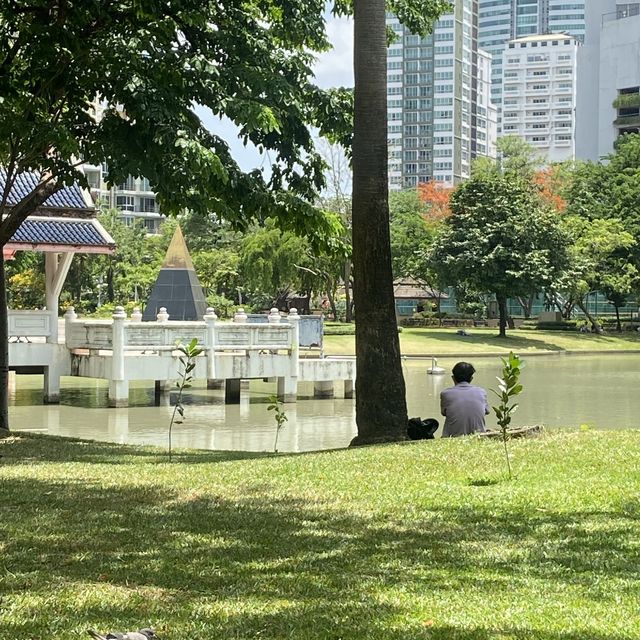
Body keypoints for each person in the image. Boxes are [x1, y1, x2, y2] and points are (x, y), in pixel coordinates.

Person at [440, 362, 490, 437]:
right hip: (479, 436)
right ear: (471, 378)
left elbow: (444, 413)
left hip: (453, 437)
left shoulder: (446, 394)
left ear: (453, 378)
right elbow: (487, 411)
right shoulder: (482, 392)